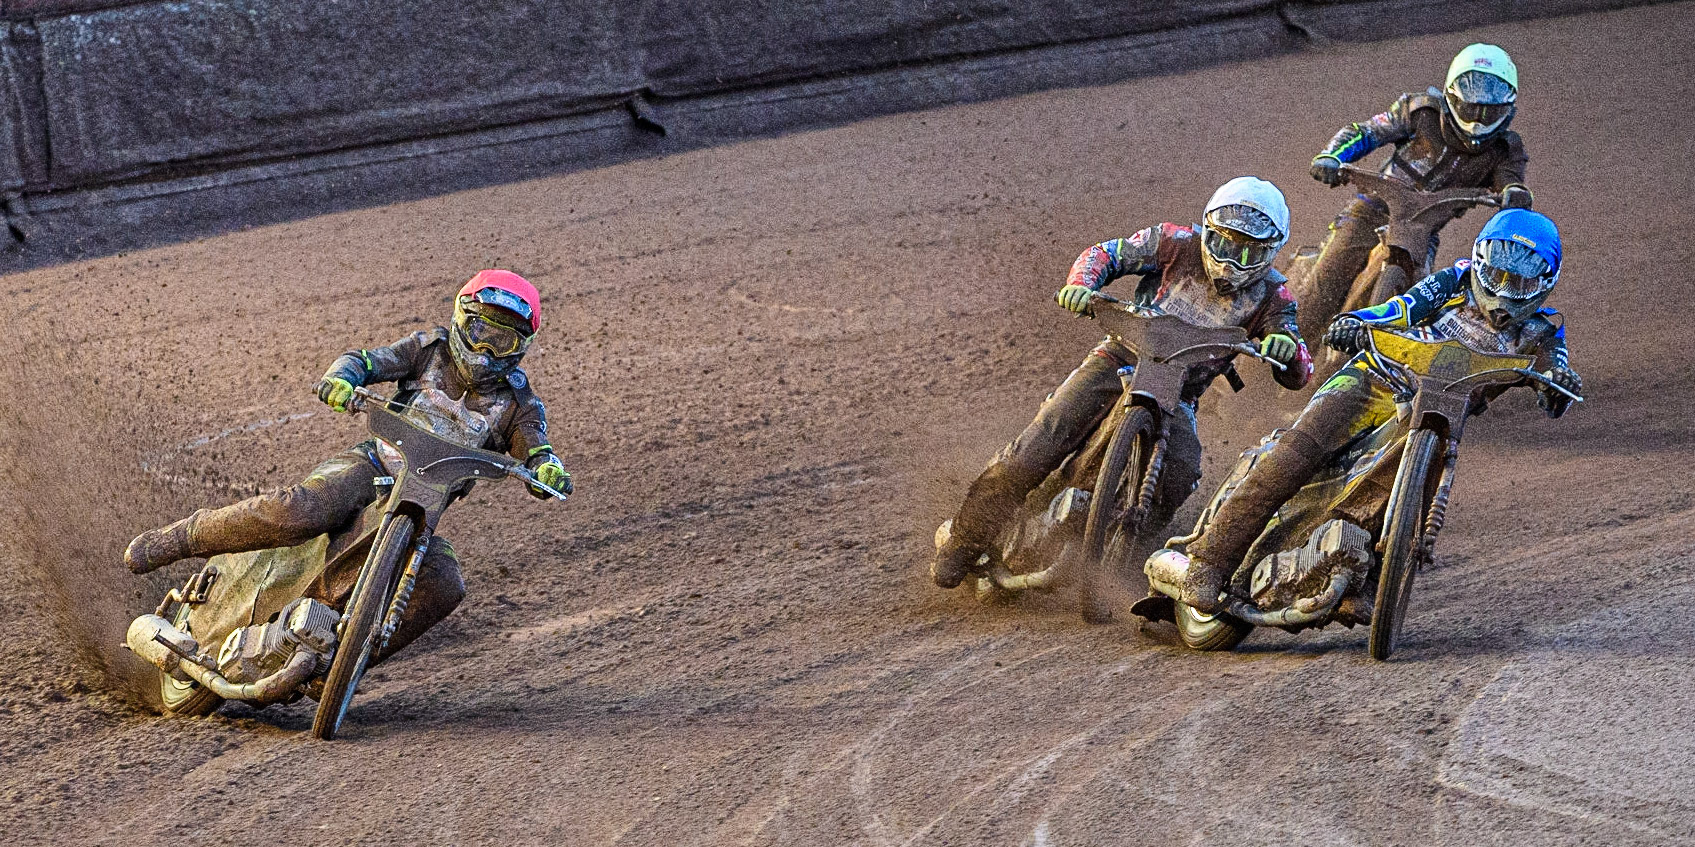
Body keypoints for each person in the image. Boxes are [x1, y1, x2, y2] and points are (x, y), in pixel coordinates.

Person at [123, 269, 573, 657]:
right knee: (303, 508)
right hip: (372, 466)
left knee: (444, 582)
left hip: (422, 508)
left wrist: (546, 469)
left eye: (504, 342)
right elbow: (365, 361)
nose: (489, 351)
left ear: (521, 347)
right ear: (461, 322)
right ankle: (181, 538)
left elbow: (536, 449)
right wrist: (341, 379)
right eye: (482, 335)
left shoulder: (519, 404)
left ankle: (343, 659)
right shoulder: (427, 349)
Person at [1165, 208, 1580, 612]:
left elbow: (1553, 373)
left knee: (1415, 493)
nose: (1504, 292)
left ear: (1545, 285)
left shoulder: (1544, 330)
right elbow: (1400, 308)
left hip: (1437, 416)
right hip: (1371, 381)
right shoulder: (1454, 282)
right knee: (1296, 454)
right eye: (1496, 276)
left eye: (1520, 285)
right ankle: (1208, 561)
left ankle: (1366, 574)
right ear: (1479, 262)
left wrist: (1559, 386)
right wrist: (1357, 321)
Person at [931, 177, 1313, 588]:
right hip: (1118, 358)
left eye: (1248, 252)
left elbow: (1299, 364)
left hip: (1180, 391)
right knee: (1040, 441)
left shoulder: (1276, 296)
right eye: (1223, 245)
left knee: (1184, 471)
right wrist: (1082, 285)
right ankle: (964, 542)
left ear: (1269, 253)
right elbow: (1104, 255)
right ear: (1206, 232)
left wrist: (1286, 349)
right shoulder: (1171, 242)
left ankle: (1124, 547)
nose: (1232, 262)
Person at [1304, 43, 1532, 325]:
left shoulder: (1506, 149)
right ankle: (1293, 345)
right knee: (1322, 288)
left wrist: (1515, 194)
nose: (1476, 120)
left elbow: (1511, 182)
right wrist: (1332, 156)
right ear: (1451, 97)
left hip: (1423, 230)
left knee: (1422, 304)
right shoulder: (1421, 110)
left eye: (1488, 112)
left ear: (1507, 111)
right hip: (1371, 210)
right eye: (1470, 107)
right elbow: (1368, 132)